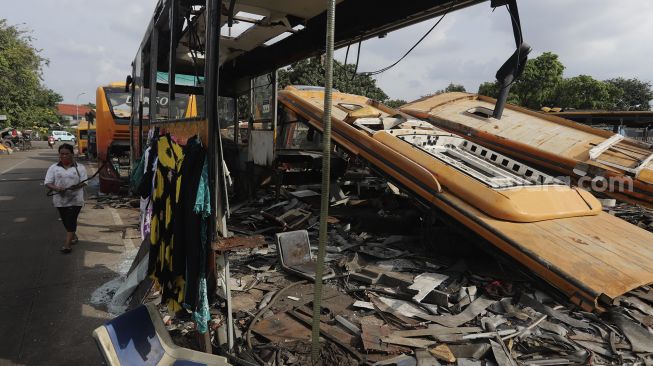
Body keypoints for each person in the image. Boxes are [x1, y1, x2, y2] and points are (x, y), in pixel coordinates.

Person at [44, 143, 88, 254]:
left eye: (67, 154)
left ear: (72, 154)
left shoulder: (80, 168)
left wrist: (75, 187)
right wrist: (57, 188)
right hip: (60, 200)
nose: (64, 156)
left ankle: (67, 245)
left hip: (76, 199)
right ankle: (73, 235)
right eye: (62, 154)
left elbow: (84, 182)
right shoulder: (54, 168)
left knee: (71, 220)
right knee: (66, 221)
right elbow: (48, 183)